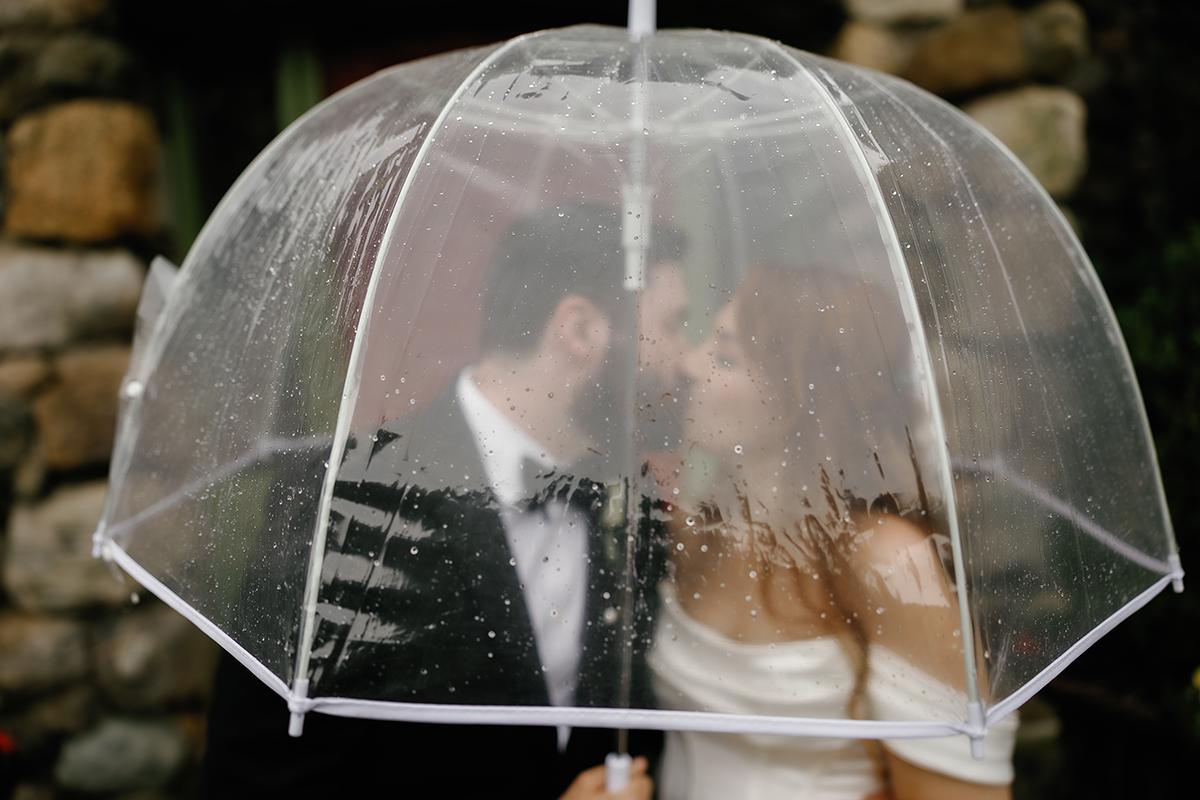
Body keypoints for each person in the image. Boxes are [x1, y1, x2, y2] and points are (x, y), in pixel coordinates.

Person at [203, 202, 687, 799]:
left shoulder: (628, 505)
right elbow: (256, 778)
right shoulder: (342, 502)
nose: (687, 360)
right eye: (671, 326)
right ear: (581, 330)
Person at [645, 263, 1018, 800]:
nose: (687, 364)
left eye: (725, 357)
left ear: (802, 399)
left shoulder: (888, 560)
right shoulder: (703, 527)